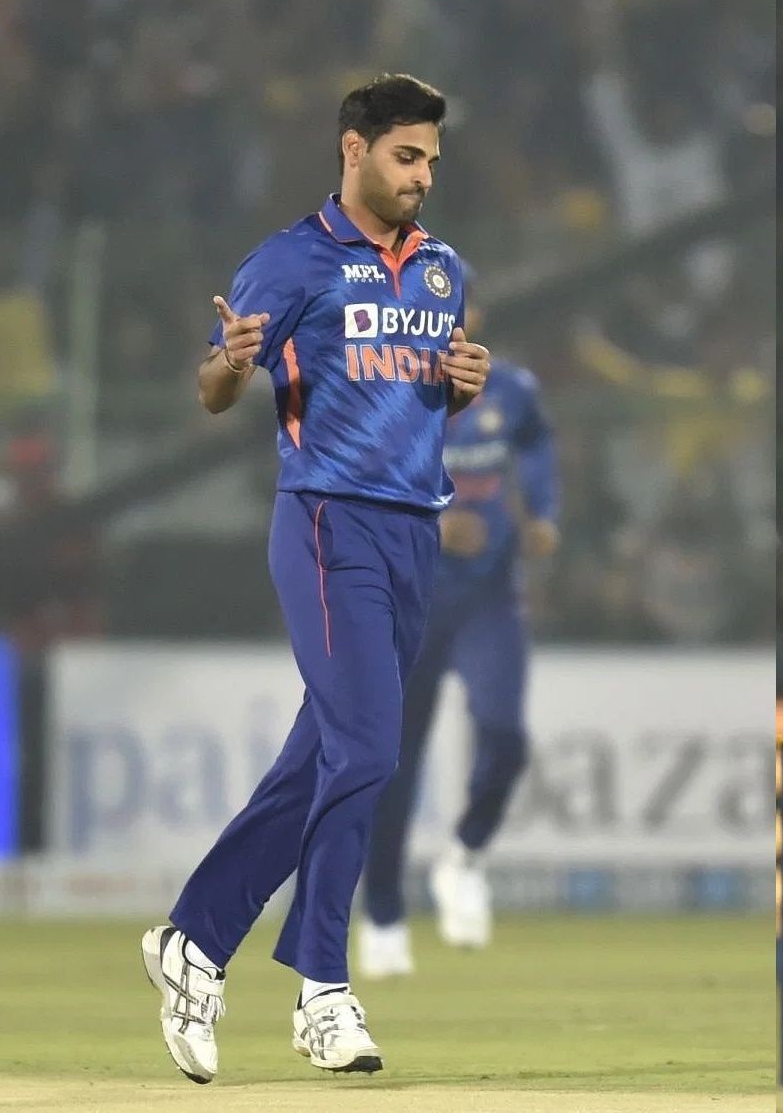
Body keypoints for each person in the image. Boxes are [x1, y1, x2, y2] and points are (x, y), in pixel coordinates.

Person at [139, 74, 491, 1084]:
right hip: (326, 522)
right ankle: (325, 991)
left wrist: (456, 390)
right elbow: (214, 389)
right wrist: (232, 365)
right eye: (405, 157)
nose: (422, 176)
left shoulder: (442, 272)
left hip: (414, 533)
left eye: (430, 159)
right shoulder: (290, 260)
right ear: (354, 151)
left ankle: (194, 942)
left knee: (328, 758)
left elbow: (417, 402)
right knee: (372, 749)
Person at [358, 291, 561, 977]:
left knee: (504, 735)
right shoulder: (385, 387)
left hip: (488, 596)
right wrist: (433, 528)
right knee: (393, 763)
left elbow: (535, 448)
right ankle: (383, 913)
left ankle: (465, 856)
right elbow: (353, 492)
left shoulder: (510, 390)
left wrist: (543, 513)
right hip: (409, 599)